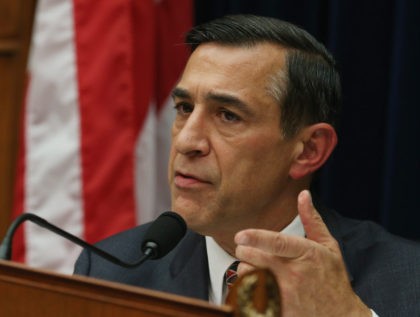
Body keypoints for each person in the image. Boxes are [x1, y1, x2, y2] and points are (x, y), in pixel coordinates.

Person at [74, 15, 420, 316]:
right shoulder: (111, 271)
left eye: (228, 115)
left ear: (308, 151)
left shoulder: (409, 280)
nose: (186, 142)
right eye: (184, 108)